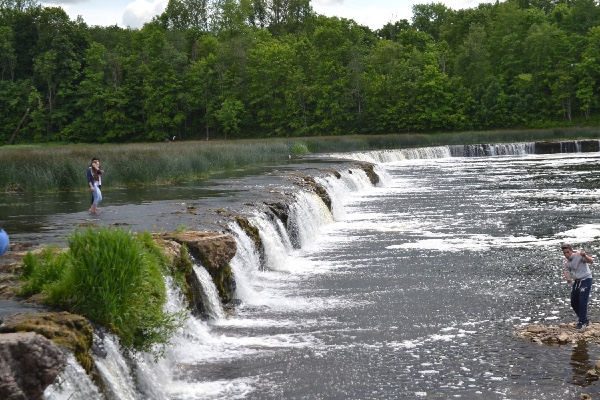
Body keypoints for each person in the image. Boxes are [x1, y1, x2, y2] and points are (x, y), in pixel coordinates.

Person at [562, 243, 594, 330]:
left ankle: (582, 323)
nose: (566, 255)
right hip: (577, 281)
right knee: (573, 302)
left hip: (586, 279)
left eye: (567, 252)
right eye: (564, 253)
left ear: (571, 251)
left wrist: (585, 256)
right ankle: (585, 320)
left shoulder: (579, 255)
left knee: (582, 301)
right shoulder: (566, 263)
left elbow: (591, 261)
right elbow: (567, 272)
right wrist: (568, 279)